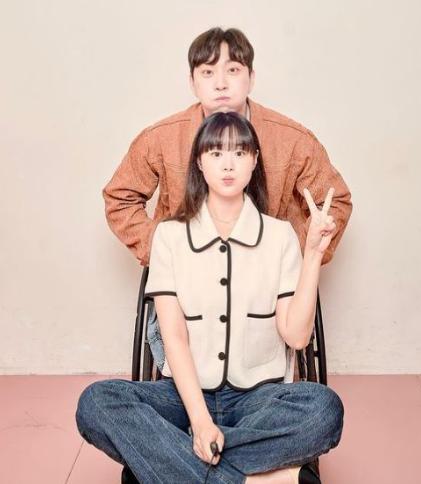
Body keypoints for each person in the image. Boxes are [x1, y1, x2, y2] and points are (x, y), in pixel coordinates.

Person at [76, 112, 344, 484]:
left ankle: (174, 458)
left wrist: (312, 253)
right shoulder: (169, 236)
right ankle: (253, 480)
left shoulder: (280, 236)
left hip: (257, 401)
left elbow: (297, 337)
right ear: (199, 162)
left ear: (255, 160)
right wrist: (200, 422)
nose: (228, 164)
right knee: (96, 403)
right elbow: (174, 337)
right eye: (216, 153)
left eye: (239, 152)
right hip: (182, 397)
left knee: (324, 410)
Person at [102, 27, 353, 269]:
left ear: (251, 78)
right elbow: (119, 198)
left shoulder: (293, 138)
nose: (220, 83)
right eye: (207, 72)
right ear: (192, 83)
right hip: (187, 278)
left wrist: (291, 255)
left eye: (232, 70)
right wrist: (163, 250)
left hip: (270, 281)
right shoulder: (160, 138)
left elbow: (335, 201)